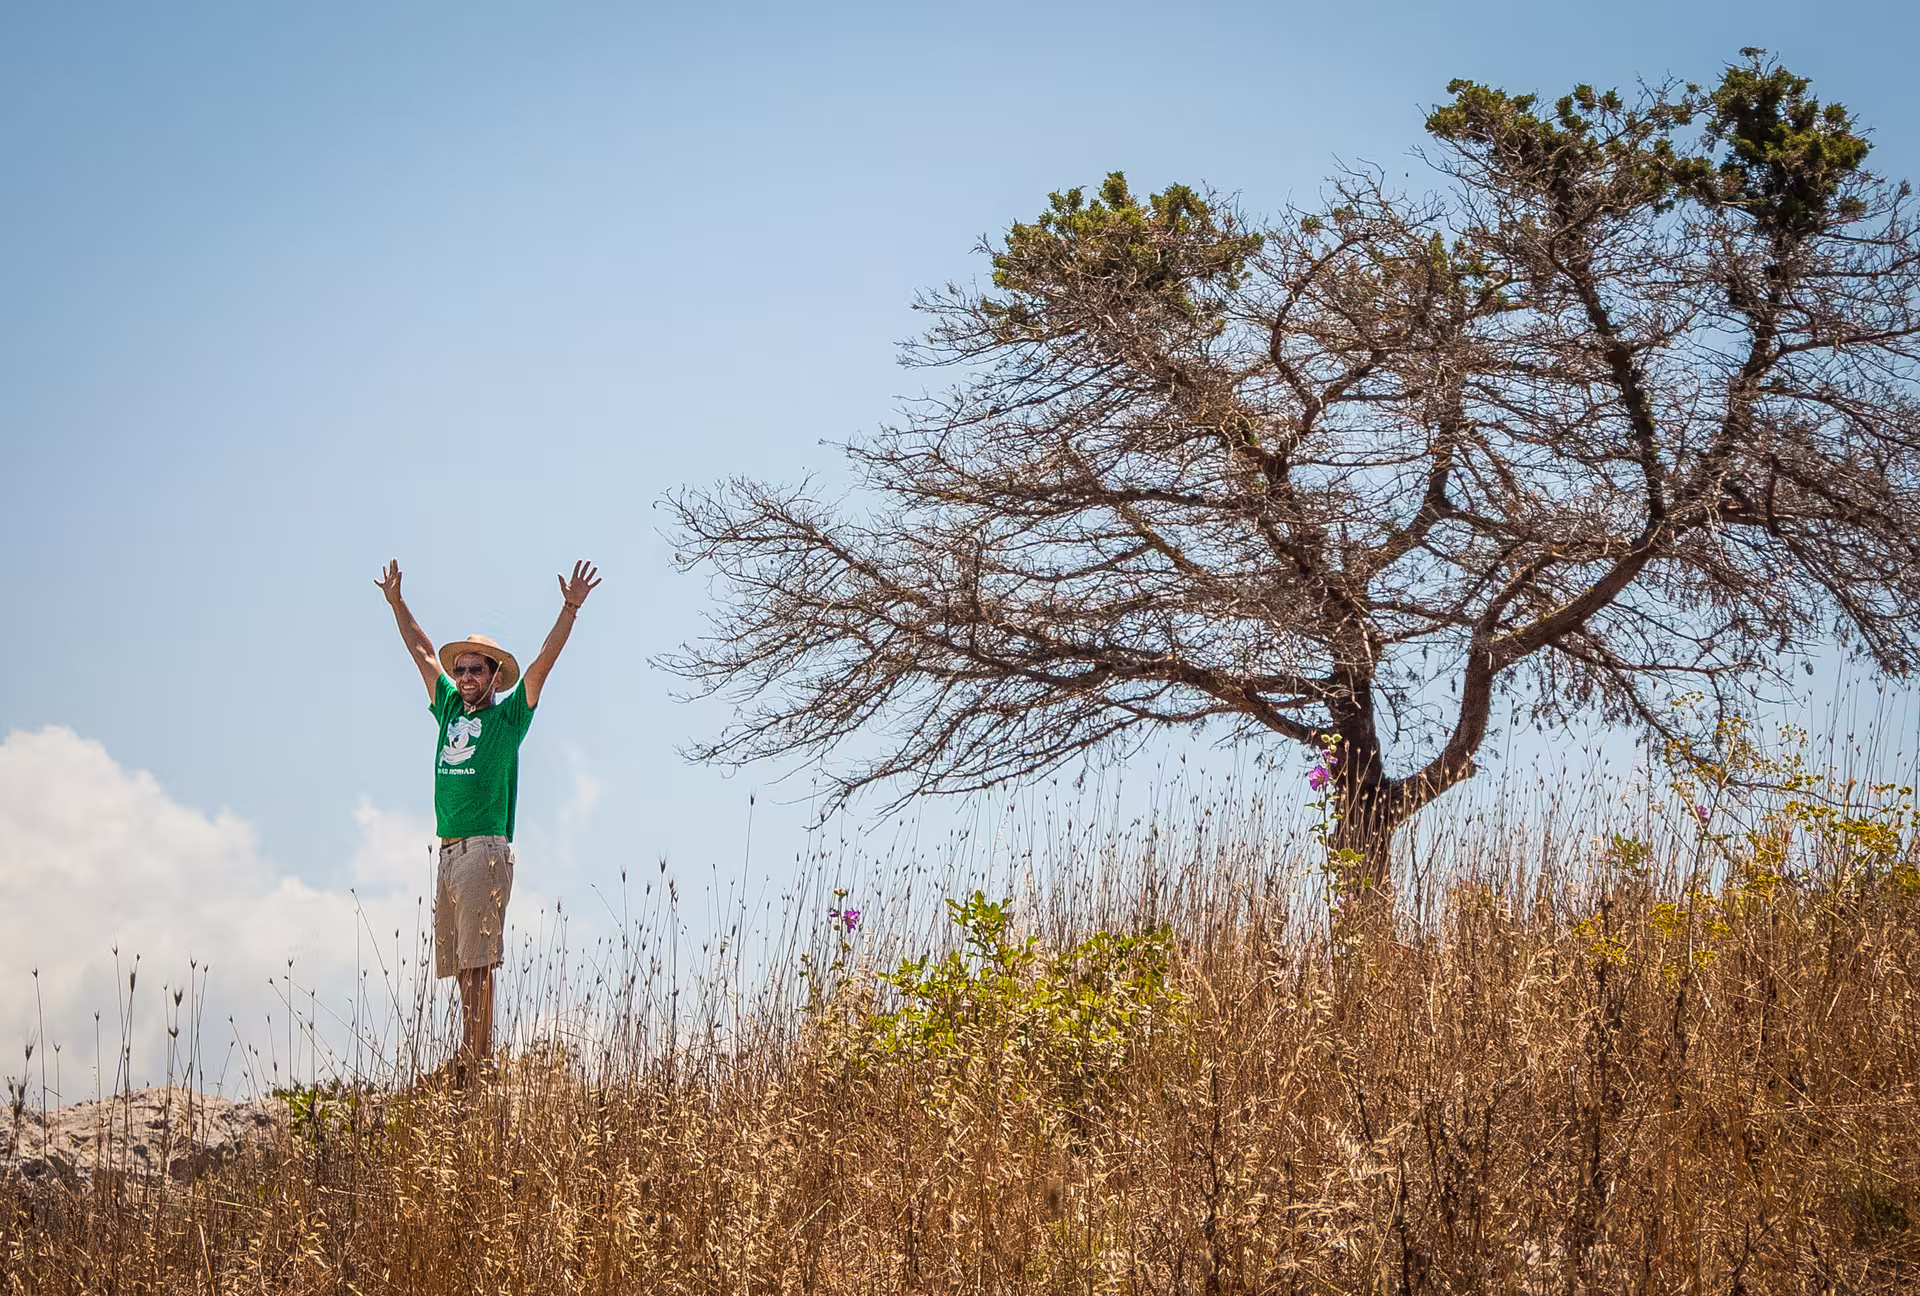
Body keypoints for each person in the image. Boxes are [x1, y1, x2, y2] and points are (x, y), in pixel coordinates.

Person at [375, 558, 601, 1082]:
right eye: (463, 670)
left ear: (494, 677)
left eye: (477, 669)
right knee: (460, 964)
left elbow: (544, 662)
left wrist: (569, 608)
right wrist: (397, 603)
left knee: (479, 963)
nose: (467, 676)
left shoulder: (507, 719)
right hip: (450, 850)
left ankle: (480, 1061)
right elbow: (423, 651)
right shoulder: (450, 709)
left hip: (484, 847)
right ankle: (469, 1053)